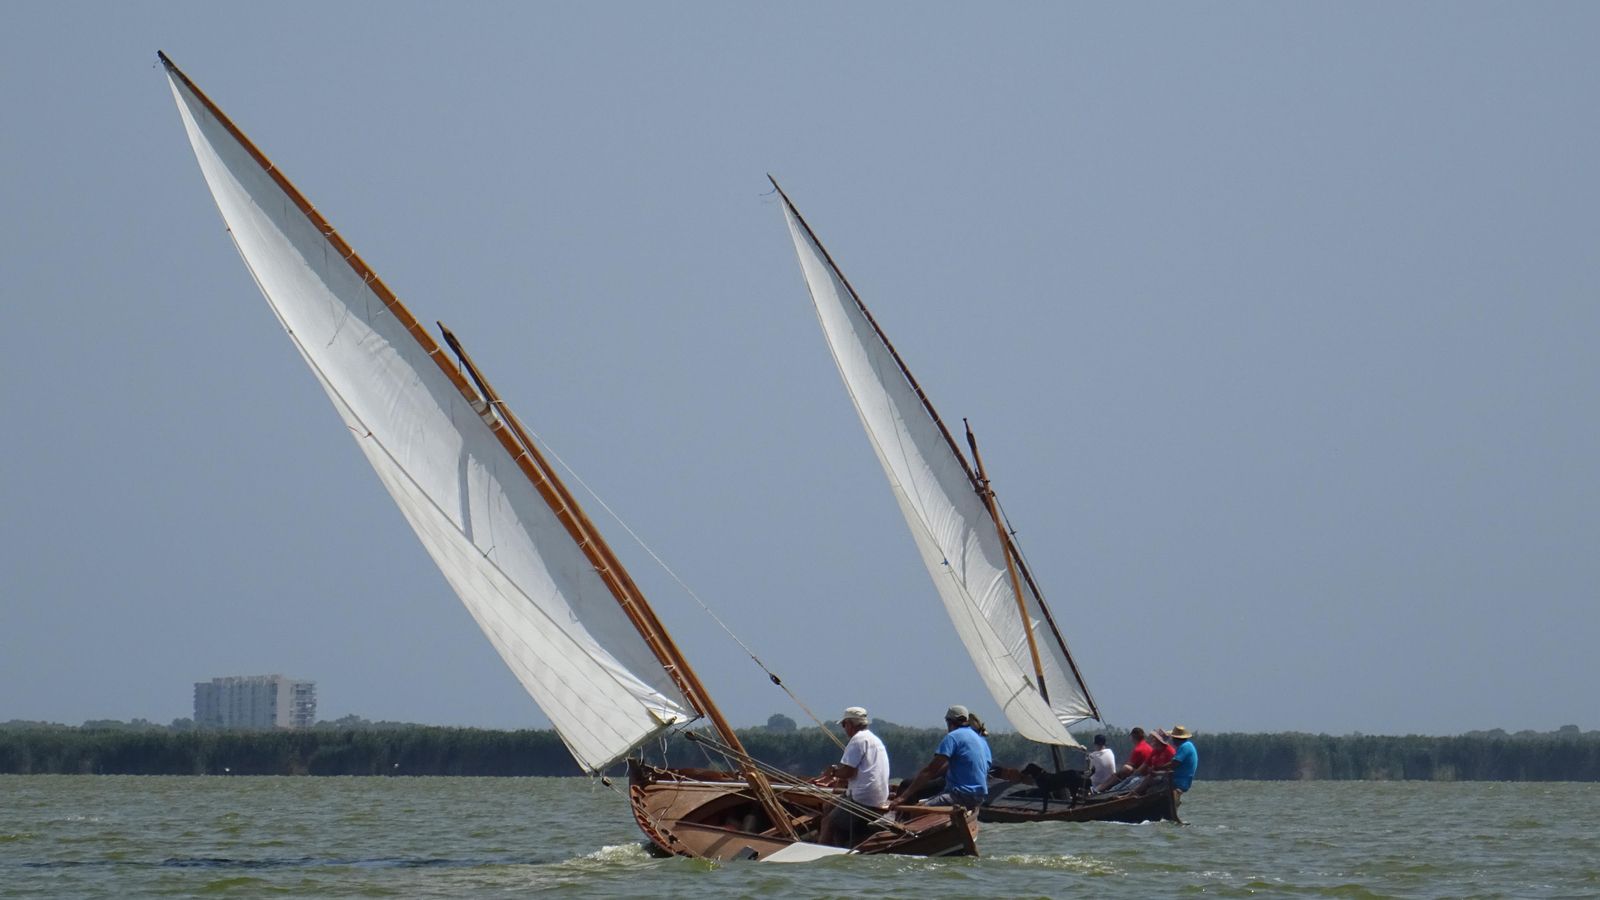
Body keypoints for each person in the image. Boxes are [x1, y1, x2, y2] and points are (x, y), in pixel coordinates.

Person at [815, 706, 889, 846]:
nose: (844, 728)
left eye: (844, 724)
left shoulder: (857, 740)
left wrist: (831, 773)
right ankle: (838, 842)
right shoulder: (874, 739)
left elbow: (848, 773)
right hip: (879, 794)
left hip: (863, 797)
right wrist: (837, 772)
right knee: (829, 806)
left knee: (829, 821)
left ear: (850, 724)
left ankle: (820, 849)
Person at [894, 705, 992, 810]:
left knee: (918, 811)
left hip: (959, 796)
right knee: (925, 801)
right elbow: (985, 766)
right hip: (979, 797)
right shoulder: (981, 740)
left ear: (949, 721)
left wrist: (902, 797)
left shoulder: (953, 737)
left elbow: (930, 770)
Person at [1165, 725, 1199, 798]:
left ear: (1177, 738)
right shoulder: (1187, 745)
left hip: (1179, 782)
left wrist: (1158, 768)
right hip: (1181, 781)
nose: (1172, 740)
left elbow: (1174, 764)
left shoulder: (1184, 747)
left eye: (1173, 738)